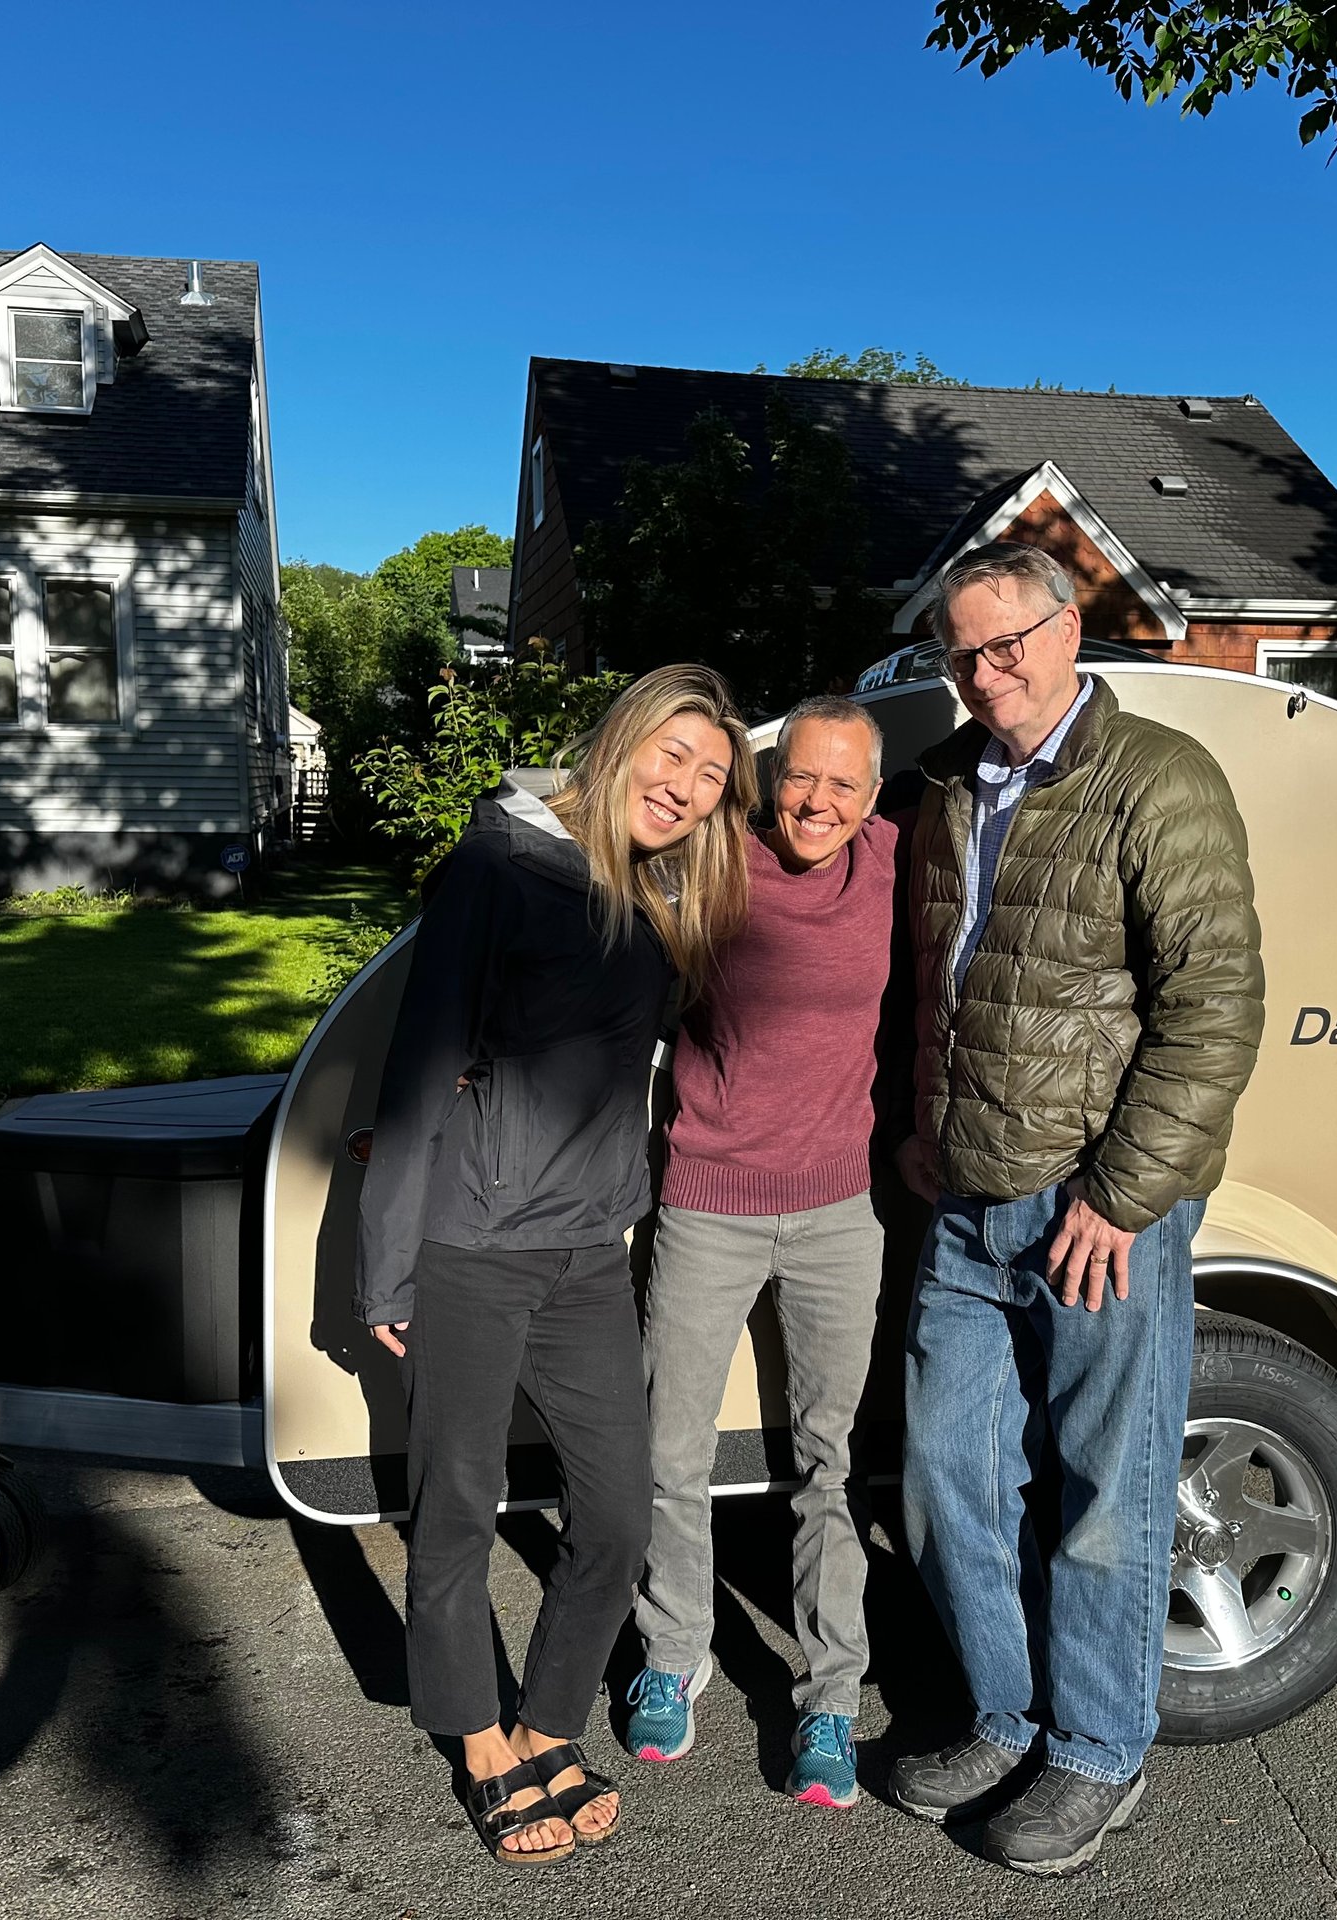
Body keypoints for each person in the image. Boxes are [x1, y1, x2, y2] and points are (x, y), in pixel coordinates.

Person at [885, 542, 1265, 1876]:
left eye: (1008, 646)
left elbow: (1212, 1011)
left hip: (1097, 1212)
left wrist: (1120, 1195)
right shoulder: (941, 788)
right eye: (963, 653)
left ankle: (1099, 1754)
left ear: (1069, 628)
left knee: (1107, 1492)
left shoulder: (1158, 780)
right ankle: (1005, 1718)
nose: (986, 676)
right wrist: (921, 1134)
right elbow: (932, 993)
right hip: (964, 1206)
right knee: (945, 1475)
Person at [353, 663, 758, 1867]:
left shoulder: (656, 890)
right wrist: (386, 1266)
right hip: (472, 1245)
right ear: (622, 742)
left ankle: (547, 1720)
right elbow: (422, 1063)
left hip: (586, 1250)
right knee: (458, 1509)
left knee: (619, 1514)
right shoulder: (497, 868)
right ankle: (477, 1737)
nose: (684, 790)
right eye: (672, 758)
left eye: (710, 778)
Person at [623, 694, 900, 1809]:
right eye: (802, 776)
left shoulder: (892, 859)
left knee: (829, 1464)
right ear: (769, 775)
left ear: (875, 798)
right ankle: (671, 1657)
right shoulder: (711, 863)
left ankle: (831, 1694)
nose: (819, 801)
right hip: (708, 1199)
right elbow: (591, 856)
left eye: (845, 783)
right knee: (669, 1450)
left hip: (841, 1210)